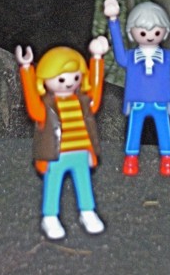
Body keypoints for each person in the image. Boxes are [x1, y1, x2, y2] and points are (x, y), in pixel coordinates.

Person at [16, 36, 110, 240]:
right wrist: (26, 69)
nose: (69, 83)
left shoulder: (83, 102)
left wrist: (96, 59)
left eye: (75, 78)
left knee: (84, 182)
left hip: (81, 152)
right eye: (61, 79)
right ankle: (50, 216)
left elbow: (96, 94)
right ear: (45, 79)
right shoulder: (46, 107)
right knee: (53, 184)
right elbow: (32, 106)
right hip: (56, 155)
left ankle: (87, 211)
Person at [102, 0, 170, 176]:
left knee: (164, 131)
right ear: (132, 32)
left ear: (164, 32)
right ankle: (131, 160)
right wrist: (113, 21)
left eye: (156, 32)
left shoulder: (165, 57)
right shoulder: (131, 57)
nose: (150, 36)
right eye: (143, 32)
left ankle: (167, 160)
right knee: (134, 131)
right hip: (137, 102)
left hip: (161, 102)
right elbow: (119, 55)